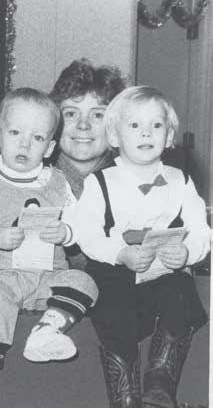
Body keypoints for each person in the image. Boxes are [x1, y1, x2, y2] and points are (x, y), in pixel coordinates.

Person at [0, 88, 98, 408]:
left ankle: (47, 330)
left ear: (50, 147)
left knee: (84, 282)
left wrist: (66, 232)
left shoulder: (59, 183)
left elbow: (81, 225)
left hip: (47, 275)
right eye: (15, 133)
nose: (24, 144)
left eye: (37, 137)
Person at [73, 86, 209, 408]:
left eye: (156, 125)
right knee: (111, 309)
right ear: (115, 136)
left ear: (169, 135)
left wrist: (188, 252)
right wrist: (119, 253)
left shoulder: (180, 181)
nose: (146, 132)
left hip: (164, 271)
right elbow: (86, 235)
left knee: (182, 294)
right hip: (115, 271)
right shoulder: (99, 182)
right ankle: (125, 395)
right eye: (134, 125)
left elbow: (202, 231)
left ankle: (160, 384)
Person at [49, 58, 127, 271]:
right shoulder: (32, 181)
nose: (83, 125)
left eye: (98, 115)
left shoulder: (132, 183)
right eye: (71, 114)